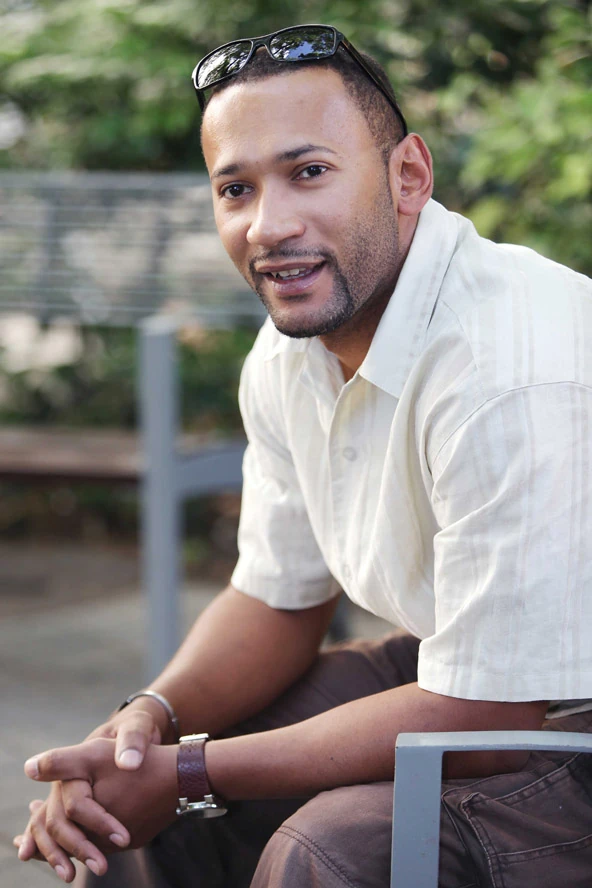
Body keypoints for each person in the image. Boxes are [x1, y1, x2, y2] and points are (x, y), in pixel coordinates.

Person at [14, 24, 592, 888]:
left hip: (550, 701)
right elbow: (276, 597)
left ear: (408, 177)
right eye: (236, 189)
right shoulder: (294, 354)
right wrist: (144, 727)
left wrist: (192, 771)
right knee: (129, 806)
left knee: (331, 852)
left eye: (310, 172)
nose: (269, 226)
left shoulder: (510, 365)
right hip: (473, 663)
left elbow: (489, 708)